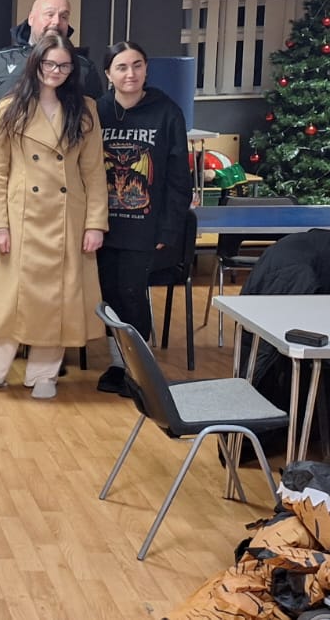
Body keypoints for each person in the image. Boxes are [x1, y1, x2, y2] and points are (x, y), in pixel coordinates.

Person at [0, 0, 104, 350]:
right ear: (31, 18)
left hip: (62, 203)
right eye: (49, 13)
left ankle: (45, 351)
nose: (56, 21)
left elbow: (94, 146)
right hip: (5, 191)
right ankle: (0, 343)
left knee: (58, 282)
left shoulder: (84, 69)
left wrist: (95, 219)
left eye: (63, 15)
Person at [0, 32, 108, 399]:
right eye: (49, 63)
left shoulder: (85, 109)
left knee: (59, 297)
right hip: (21, 216)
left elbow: (94, 172)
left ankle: (43, 375)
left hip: (68, 216)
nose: (55, 71)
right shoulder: (9, 107)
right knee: (11, 299)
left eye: (64, 66)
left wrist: (95, 224)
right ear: (35, 63)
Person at [94, 42, 191, 395]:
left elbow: (179, 177)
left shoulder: (167, 112)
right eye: (121, 67)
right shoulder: (97, 111)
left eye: (137, 65)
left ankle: (140, 371)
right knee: (109, 296)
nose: (130, 73)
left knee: (133, 294)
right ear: (108, 74)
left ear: (146, 69)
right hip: (104, 225)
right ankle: (118, 365)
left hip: (145, 226)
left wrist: (170, 227)